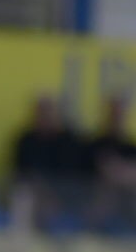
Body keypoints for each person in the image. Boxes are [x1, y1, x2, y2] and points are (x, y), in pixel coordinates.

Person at [11, 93, 95, 223]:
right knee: (24, 195)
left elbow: (76, 178)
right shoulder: (26, 140)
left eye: (49, 111)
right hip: (37, 195)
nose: (45, 116)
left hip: (67, 197)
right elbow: (23, 174)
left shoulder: (71, 142)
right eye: (41, 111)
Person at [89, 96, 136, 232]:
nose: (118, 118)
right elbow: (108, 174)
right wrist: (133, 173)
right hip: (103, 207)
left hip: (133, 205)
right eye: (114, 113)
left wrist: (123, 172)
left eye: (121, 114)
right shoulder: (95, 145)